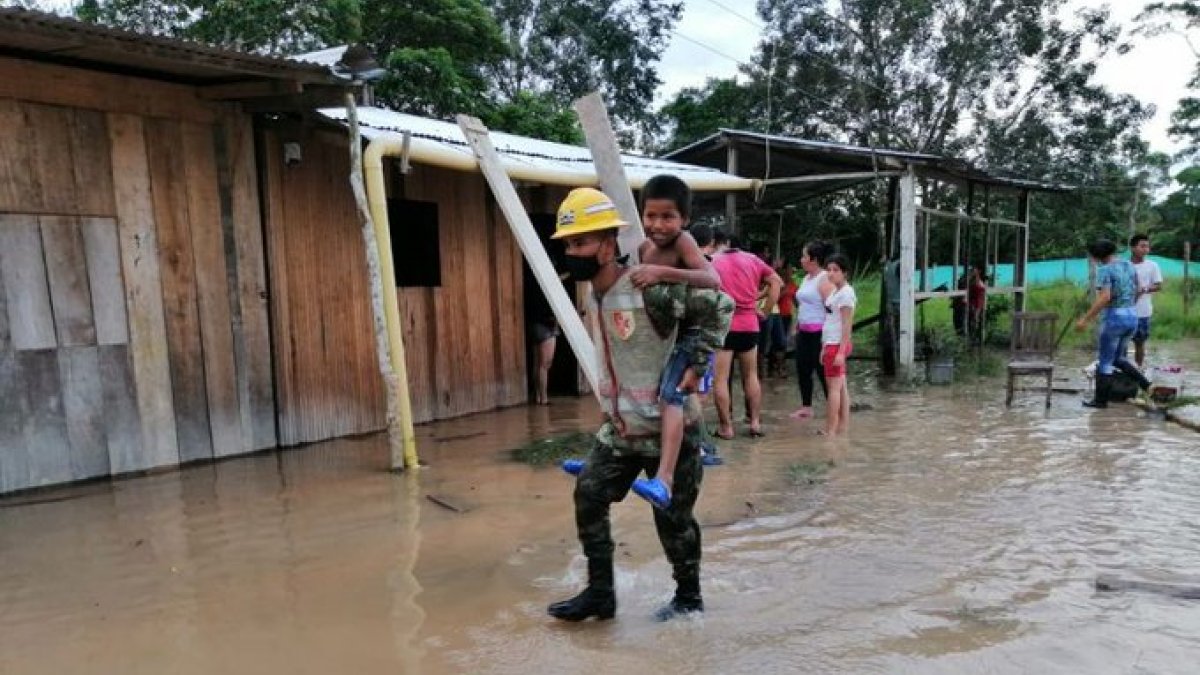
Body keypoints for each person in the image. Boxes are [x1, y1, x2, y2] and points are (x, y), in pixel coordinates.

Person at [546, 187, 733, 623]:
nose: (572, 253)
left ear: (608, 246)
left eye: (580, 243)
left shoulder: (650, 289)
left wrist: (699, 363)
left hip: (672, 429)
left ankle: (688, 598)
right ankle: (600, 594)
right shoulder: (595, 292)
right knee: (589, 493)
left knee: (673, 520)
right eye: (569, 245)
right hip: (624, 431)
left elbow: (720, 304)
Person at [626, 175, 722, 510]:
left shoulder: (683, 243)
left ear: (684, 219)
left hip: (689, 337)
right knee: (627, 385)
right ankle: (608, 459)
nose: (658, 224)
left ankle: (664, 479)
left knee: (671, 397)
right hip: (658, 336)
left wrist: (663, 273)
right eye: (650, 215)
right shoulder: (643, 248)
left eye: (668, 216)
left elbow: (713, 279)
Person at [711, 230, 782, 438]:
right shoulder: (752, 260)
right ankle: (755, 423)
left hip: (725, 325)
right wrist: (766, 310)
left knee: (721, 380)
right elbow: (776, 282)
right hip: (750, 325)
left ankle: (726, 427)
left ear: (720, 243)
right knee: (751, 376)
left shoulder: (712, 261)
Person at [1074, 239, 1153, 408]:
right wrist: (1128, 305)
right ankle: (1147, 385)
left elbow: (1105, 297)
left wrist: (1085, 319)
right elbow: (1139, 289)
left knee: (1105, 361)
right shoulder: (1129, 265)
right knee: (1118, 358)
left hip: (1114, 318)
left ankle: (1100, 401)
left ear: (1097, 256)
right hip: (1132, 316)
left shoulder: (1104, 270)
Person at [790, 240, 835, 419]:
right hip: (804, 332)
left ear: (814, 259)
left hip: (820, 333)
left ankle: (833, 407)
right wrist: (796, 326)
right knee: (802, 370)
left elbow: (832, 308)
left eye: (804, 256)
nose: (801, 260)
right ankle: (806, 407)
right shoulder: (806, 278)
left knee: (823, 372)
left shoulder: (824, 278)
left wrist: (830, 336)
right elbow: (802, 305)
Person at [821, 254, 857, 436]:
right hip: (832, 343)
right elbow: (831, 321)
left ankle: (831, 430)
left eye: (835, 270)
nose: (831, 273)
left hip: (837, 344)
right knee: (841, 387)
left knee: (833, 389)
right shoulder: (836, 292)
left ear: (845, 273)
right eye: (828, 269)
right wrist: (824, 346)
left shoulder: (845, 294)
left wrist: (840, 352)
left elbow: (846, 324)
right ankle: (842, 427)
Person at [1129, 234, 1163, 368]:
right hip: (1124, 311)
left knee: (1140, 343)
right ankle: (1122, 371)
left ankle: (1138, 369)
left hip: (1143, 311)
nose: (1146, 249)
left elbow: (1158, 285)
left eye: (1147, 246)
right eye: (1142, 246)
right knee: (1121, 343)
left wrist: (1144, 289)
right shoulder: (1124, 265)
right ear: (1132, 248)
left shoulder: (1152, 265)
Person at [530, 313, 558, 405]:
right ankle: (544, 398)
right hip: (546, 328)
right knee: (545, 365)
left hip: (536, 326)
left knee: (537, 364)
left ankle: (538, 396)